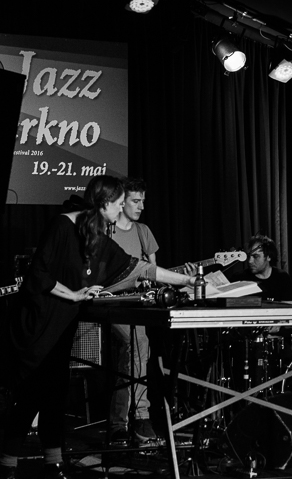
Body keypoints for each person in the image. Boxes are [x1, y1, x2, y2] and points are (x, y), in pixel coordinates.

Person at [0, 176, 198, 479]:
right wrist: (73, 294)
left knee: (55, 392)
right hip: (38, 323)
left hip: (63, 323)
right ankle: (7, 465)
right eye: (119, 204)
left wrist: (188, 280)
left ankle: (54, 461)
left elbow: (139, 268)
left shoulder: (97, 235)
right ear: (104, 203)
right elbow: (38, 275)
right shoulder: (62, 225)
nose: (121, 210)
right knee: (32, 394)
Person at [108, 178, 158, 444]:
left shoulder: (143, 231)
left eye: (143, 201)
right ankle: (140, 417)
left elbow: (154, 272)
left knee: (137, 350)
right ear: (121, 202)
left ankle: (119, 423)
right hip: (108, 304)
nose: (141, 206)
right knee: (138, 345)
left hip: (136, 306)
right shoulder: (106, 229)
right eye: (135, 201)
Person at [232, 234, 292, 302]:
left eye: (256, 256)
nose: (250, 261)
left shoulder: (282, 278)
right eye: (249, 256)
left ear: (268, 257)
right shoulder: (238, 278)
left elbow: (287, 307)